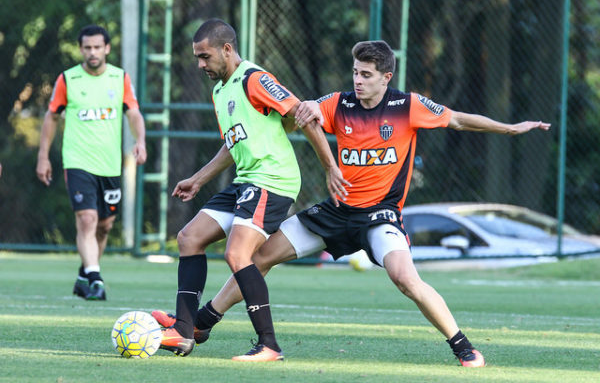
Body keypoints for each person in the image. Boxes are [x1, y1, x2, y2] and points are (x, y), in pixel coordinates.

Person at [154, 40, 551, 367]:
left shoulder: (406, 106)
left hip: (379, 216)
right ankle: (204, 321)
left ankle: (463, 346)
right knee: (258, 258)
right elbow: (301, 114)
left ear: (386, 78)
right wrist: (299, 110)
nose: (358, 82)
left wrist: (510, 128)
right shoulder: (339, 103)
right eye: (355, 73)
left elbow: (460, 120)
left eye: (366, 75)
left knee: (405, 278)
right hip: (335, 213)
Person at [152, 19, 347, 361]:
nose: (200, 64)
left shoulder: (254, 79)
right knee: (189, 237)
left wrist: (331, 167)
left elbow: (304, 114)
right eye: (197, 57)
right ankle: (184, 332)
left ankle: (269, 344)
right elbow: (232, 144)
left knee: (237, 254)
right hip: (246, 180)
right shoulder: (219, 91)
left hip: (272, 180)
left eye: (205, 56)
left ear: (227, 50)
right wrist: (198, 178)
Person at [36, 25, 147, 301]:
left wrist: (140, 140)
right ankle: (96, 280)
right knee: (87, 219)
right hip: (77, 161)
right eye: (87, 47)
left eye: (98, 47)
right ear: (81, 49)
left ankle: (85, 273)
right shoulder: (68, 79)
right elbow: (51, 117)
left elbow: (133, 113)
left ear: (107, 48)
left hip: (109, 164)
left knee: (105, 225)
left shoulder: (119, 78)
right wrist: (43, 155)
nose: (92, 52)